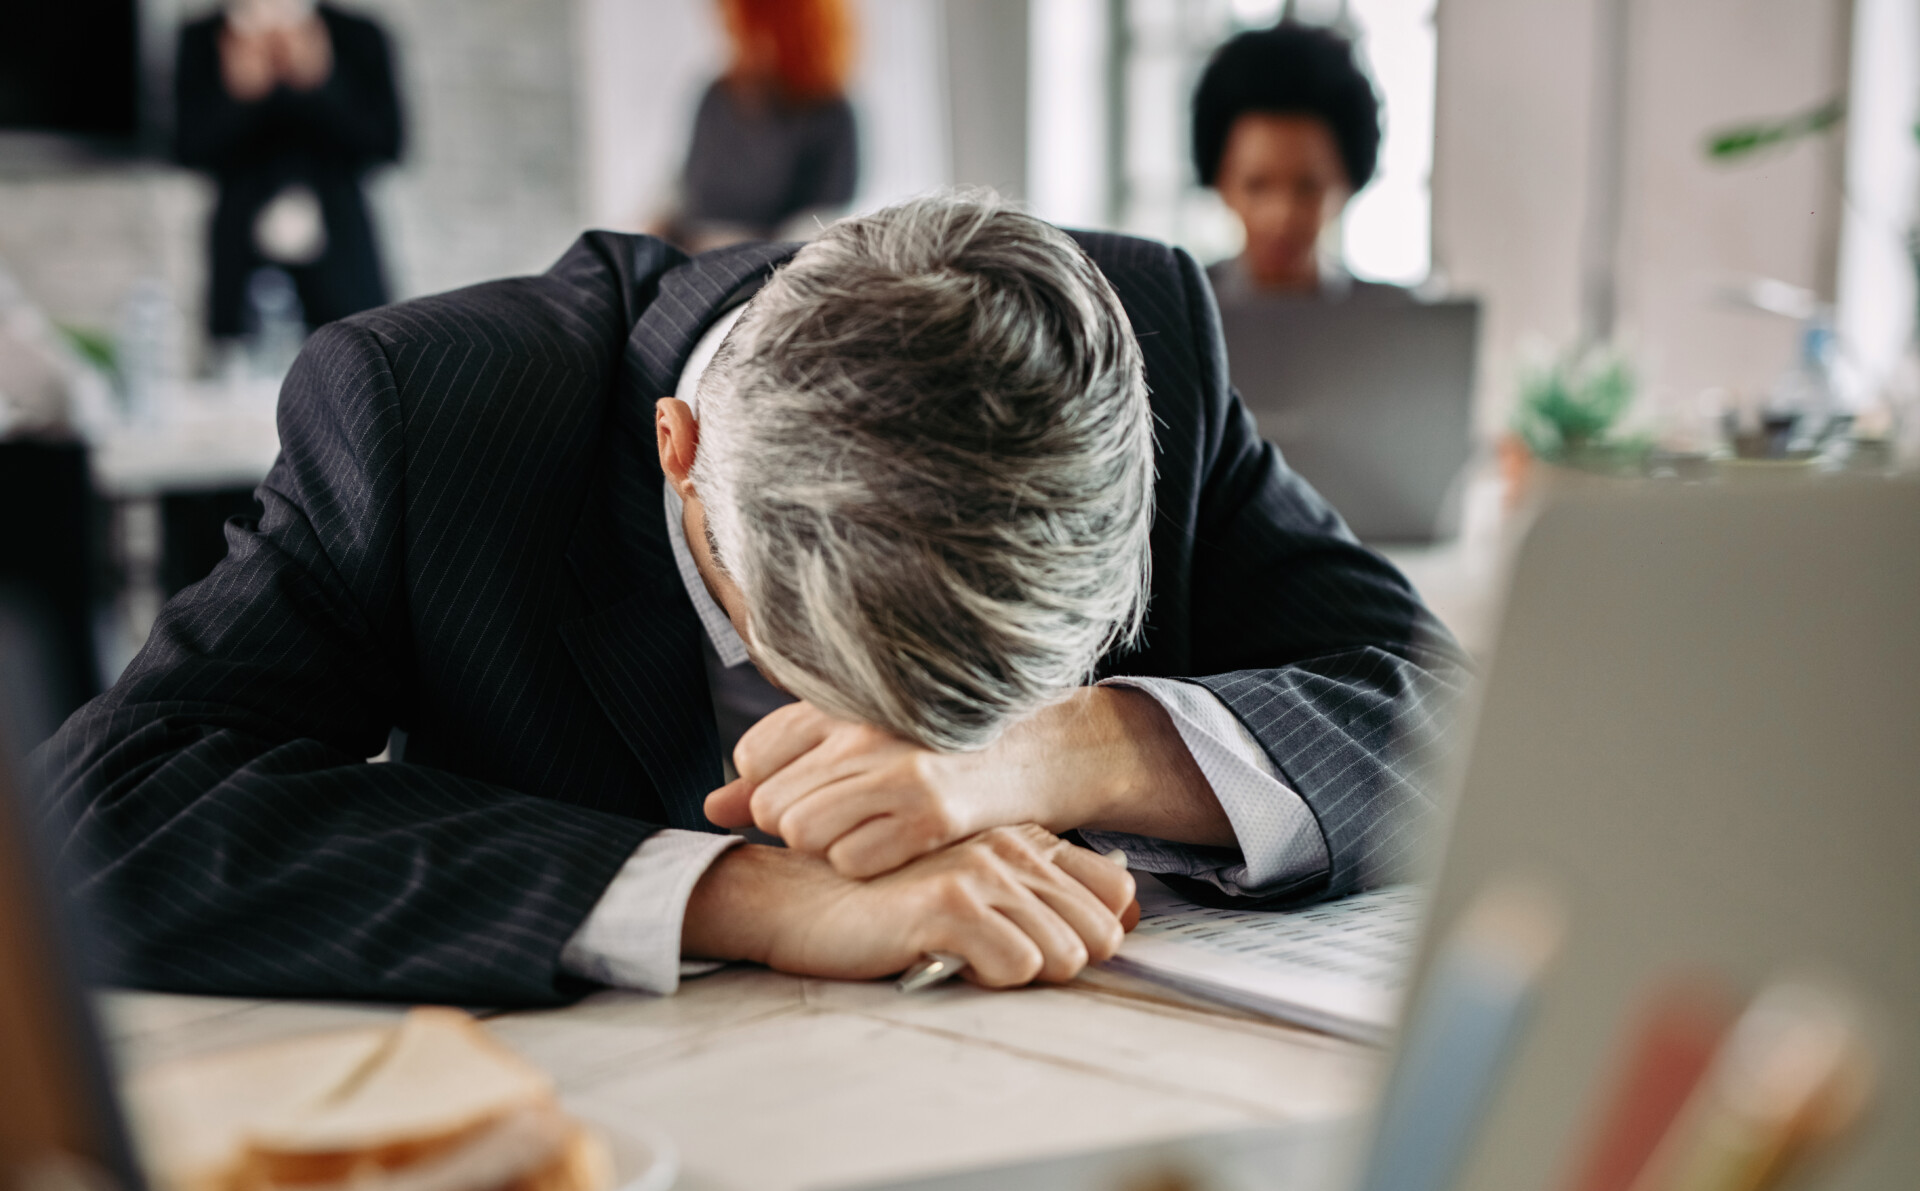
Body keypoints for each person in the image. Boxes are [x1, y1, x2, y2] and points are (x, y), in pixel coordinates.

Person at [34, 193, 1467, 1006]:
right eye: (822, 672)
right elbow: (91, 821)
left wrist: (1043, 755)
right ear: (682, 454)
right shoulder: (433, 417)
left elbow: (1462, 721)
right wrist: (745, 895)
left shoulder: (1137, 342)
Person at [175, 0, 402, 342]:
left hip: (342, 255)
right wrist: (244, 96)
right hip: (240, 257)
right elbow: (187, 149)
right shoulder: (205, 37)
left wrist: (319, 83)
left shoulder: (355, 34)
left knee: (356, 368)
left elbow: (386, 143)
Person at [1193, 22, 1399, 303]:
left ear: (1348, 184)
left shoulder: (1391, 316)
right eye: (1257, 186)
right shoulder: (1178, 312)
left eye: (1308, 186)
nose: (1282, 216)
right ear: (1220, 181)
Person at [661, 0, 859, 251]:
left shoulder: (830, 111)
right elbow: (684, 183)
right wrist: (655, 226)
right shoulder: (716, 95)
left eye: (752, 29)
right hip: (696, 254)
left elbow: (823, 216)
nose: (738, 40)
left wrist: (750, 253)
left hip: (772, 267)